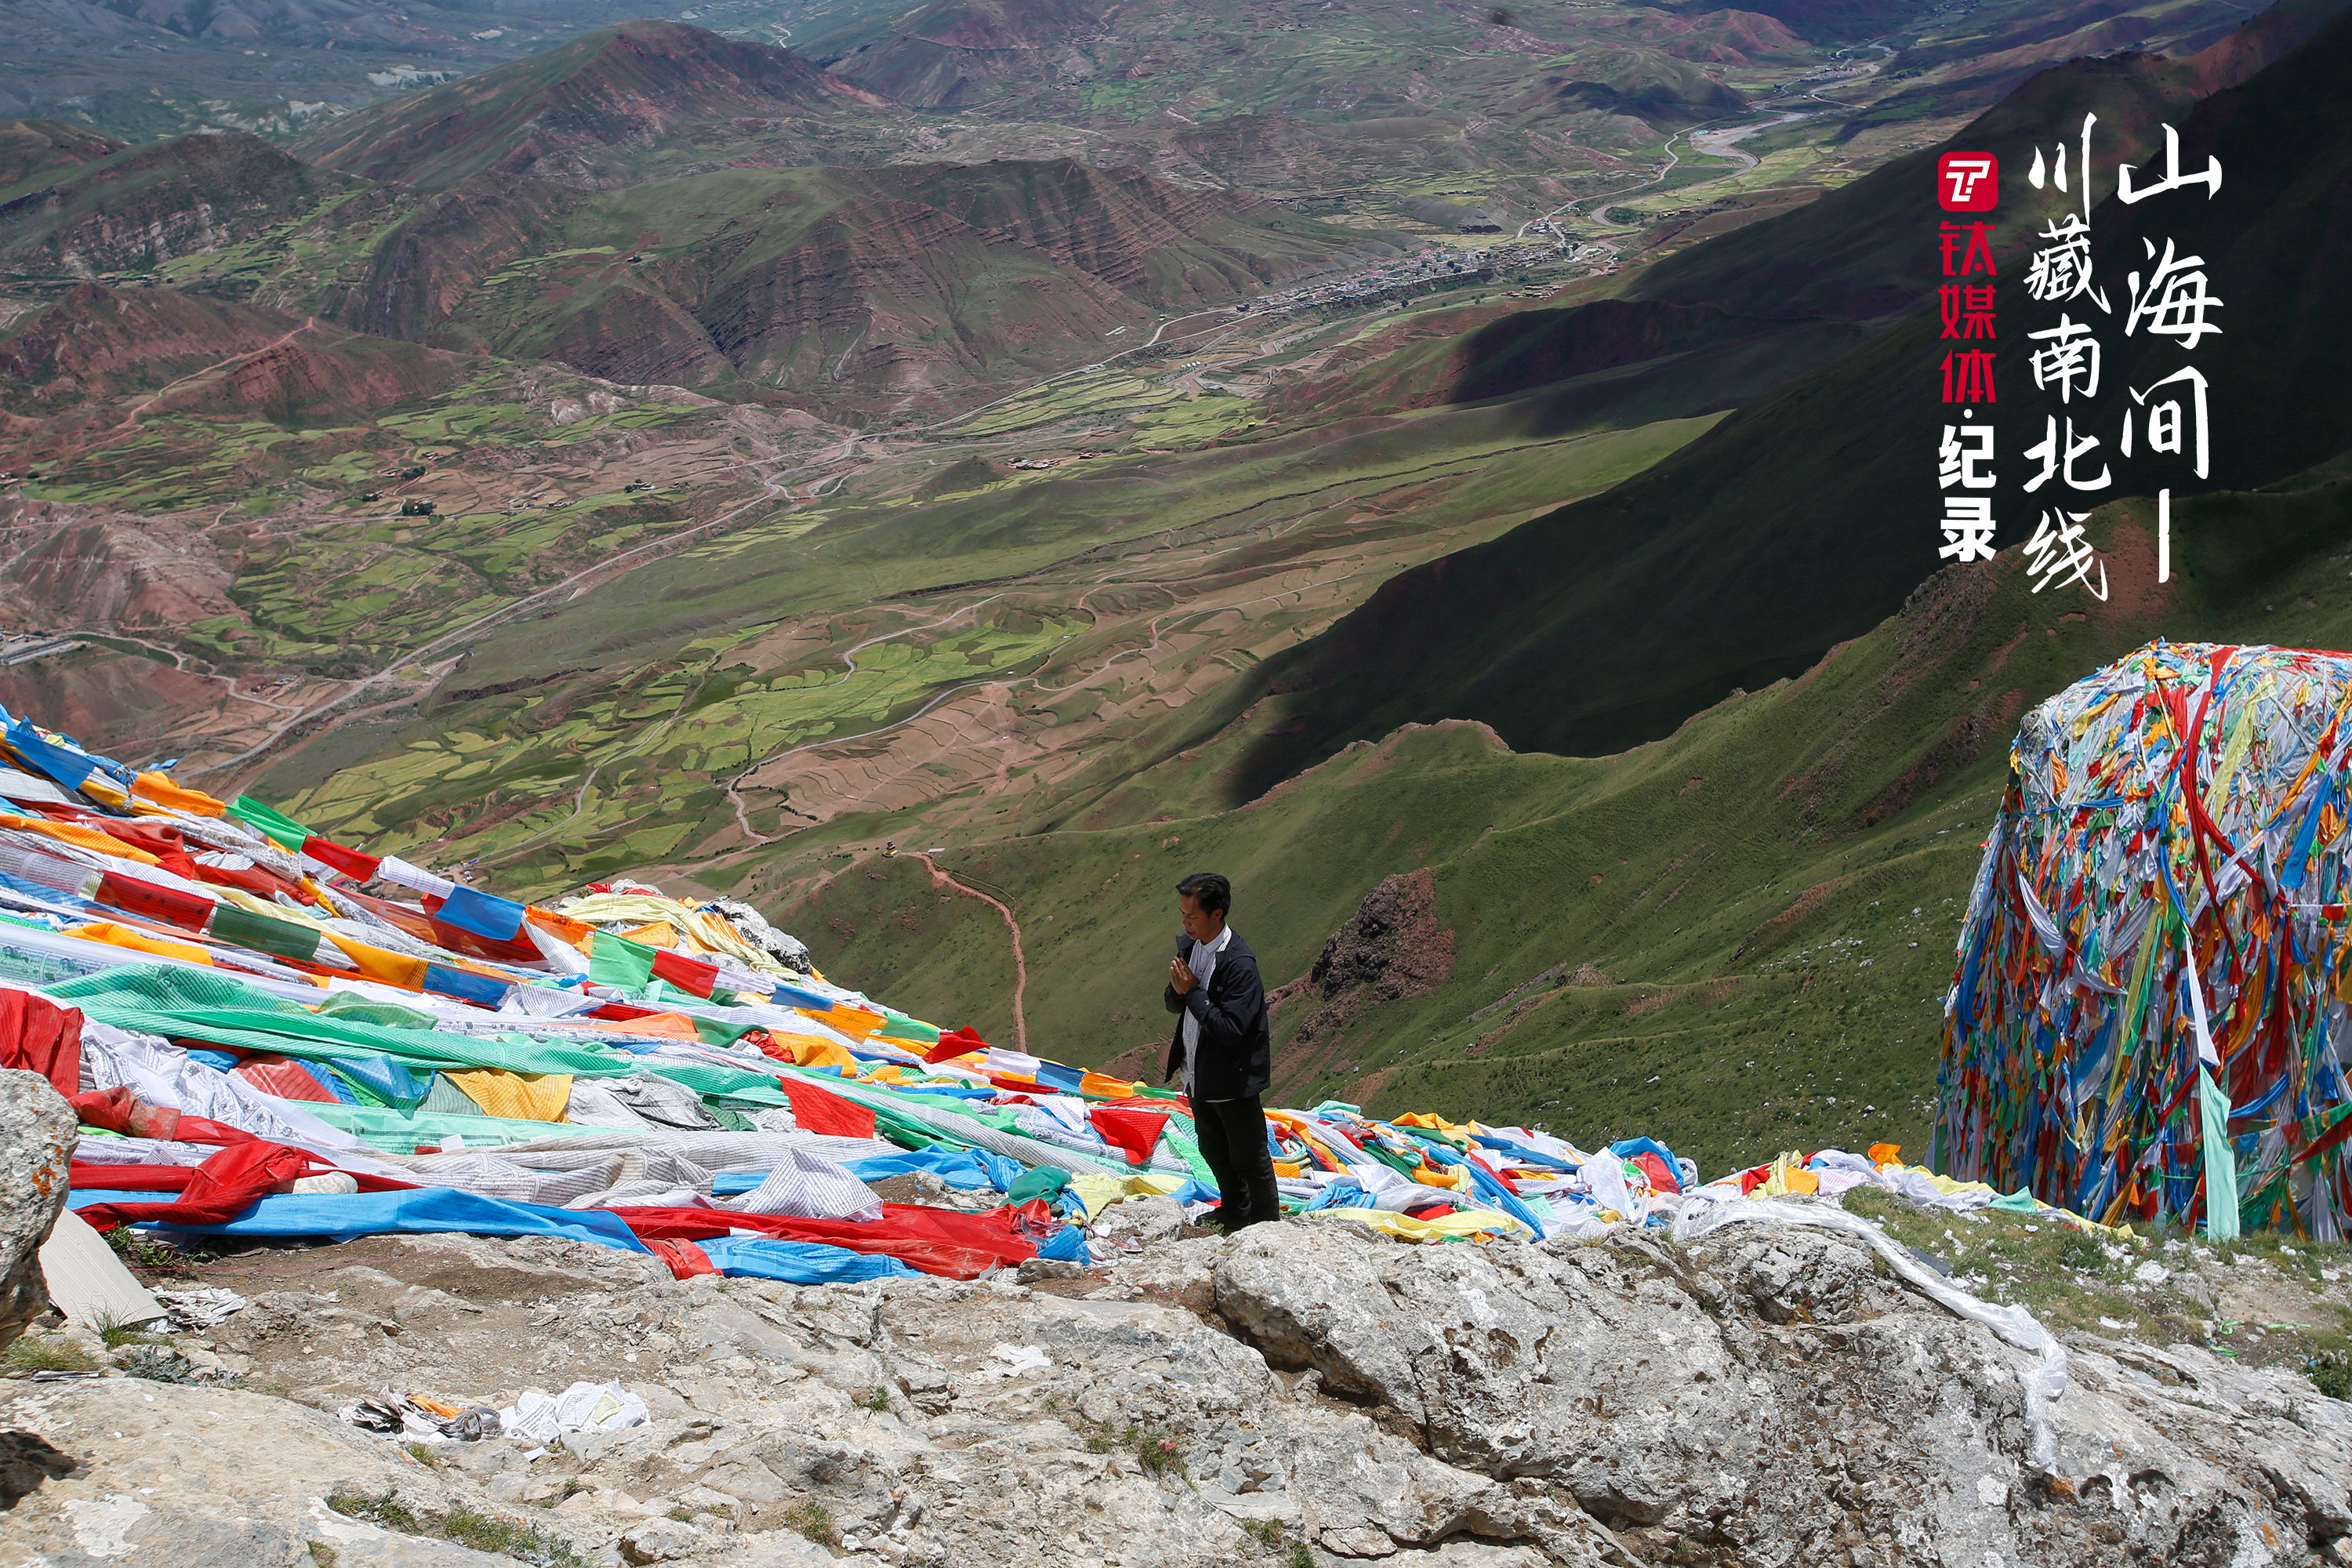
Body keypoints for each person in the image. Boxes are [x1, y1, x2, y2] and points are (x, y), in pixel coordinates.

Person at [1162, 872, 1279, 1232]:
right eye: (1182, 914)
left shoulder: (1240, 964)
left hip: (1232, 1076)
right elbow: (1173, 1003)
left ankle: (1266, 1225)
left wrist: (1193, 992)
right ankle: (1234, 1211)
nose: (1185, 923)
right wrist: (1179, 990)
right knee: (1213, 1149)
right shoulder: (1191, 947)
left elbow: (1231, 1030)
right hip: (1199, 1074)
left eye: (1192, 916)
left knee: (1249, 1156)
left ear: (1217, 914)